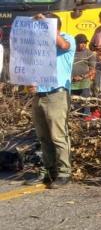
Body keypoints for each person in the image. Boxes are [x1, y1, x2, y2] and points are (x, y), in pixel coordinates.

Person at [24, 13, 76, 188]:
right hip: (39, 94)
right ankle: (49, 170)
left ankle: (64, 172)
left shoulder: (68, 38)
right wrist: (30, 84)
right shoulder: (39, 44)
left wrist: (46, 25)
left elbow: (62, 44)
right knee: (43, 137)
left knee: (58, 136)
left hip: (57, 94)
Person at [72, 34, 96, 118]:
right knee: (72, 102)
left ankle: (86, 118)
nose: (84, 44)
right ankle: (75, 118)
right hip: (70, 81)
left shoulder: (90, 54)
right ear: (75, 43)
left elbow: (92, 70)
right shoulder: (70, 53)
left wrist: (82, 77)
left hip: (84, 82)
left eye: (85, 43)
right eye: (81, 43)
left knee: (85, 101)